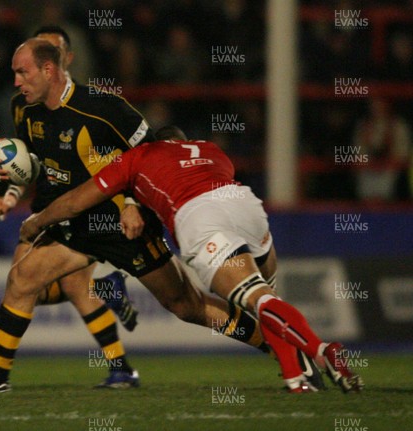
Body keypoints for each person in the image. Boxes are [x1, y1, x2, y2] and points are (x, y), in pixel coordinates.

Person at [0, 38, 272, 394]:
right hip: (74, 221)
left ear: (48, 70)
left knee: (185, 305)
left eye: (22, 72)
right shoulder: (23, 109)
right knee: (22, 279)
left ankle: (275, 344)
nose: (17, 81)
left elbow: (155, 149)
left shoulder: (101, 106)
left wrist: (132, 203)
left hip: (122, 225)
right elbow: (36, 165)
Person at [20, 126, 364, 393]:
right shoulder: (211, 150)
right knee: (267, 301)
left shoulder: (138, 156)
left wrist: (39, 219)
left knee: (257, 301)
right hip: (245, 205)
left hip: (199, 216)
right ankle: (297, 376)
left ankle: (322, 350)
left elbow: (78, 199)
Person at [0, 25, 140, 331]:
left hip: (85, 205)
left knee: (62, 286)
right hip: (47, 203)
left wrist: (129, 199)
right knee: (24, 285)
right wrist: (10, 192)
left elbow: (137, 148)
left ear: (65, 59)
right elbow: (28, 159)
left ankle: (121, 369)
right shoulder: (23, 105)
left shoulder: (90, 105)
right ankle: (109, 294)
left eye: (55, 51)